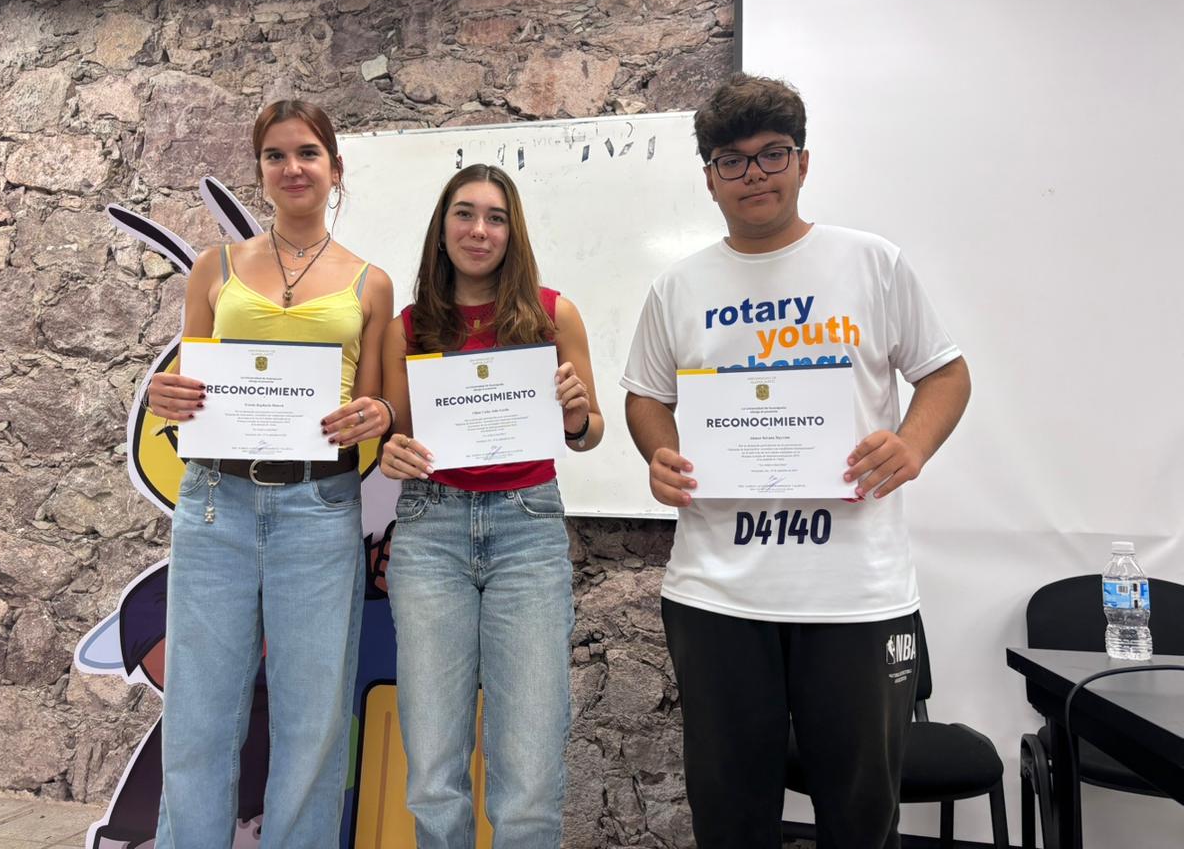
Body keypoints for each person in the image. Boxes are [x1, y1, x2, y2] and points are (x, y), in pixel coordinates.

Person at [622, 75, 971, 849]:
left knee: (859, 821)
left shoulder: (872, 263)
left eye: (772, 154)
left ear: (803, 162)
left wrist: (912, 445)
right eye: (732, 160)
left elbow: (946, 375)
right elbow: (645, 397)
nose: (754, 174)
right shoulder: (677, 286)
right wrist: (660, 452)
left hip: (854, 593)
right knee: (730, 819)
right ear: (710, 178)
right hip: (718, 594)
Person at [145, 99, 394, 847]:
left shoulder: (371, 283)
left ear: (335, 169)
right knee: (199, 710)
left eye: (308, 153)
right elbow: (187, 381)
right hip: (214, 500)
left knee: (313, 718)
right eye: (276, 155)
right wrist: (163, 395)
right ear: (260, 170)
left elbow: (372, 405)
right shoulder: (213, 267)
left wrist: (373, 416)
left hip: (319, 503)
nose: (293, 167)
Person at [378, 164, 603, 849]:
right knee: (432, 773)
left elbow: (590, 432)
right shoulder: (408, 327)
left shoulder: (554, 314)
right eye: (465, 214)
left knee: (530, 773)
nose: (480, 230)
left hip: (526, 529)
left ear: (513, 232)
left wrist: (576, 417)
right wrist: (392, 453)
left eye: (496, 217)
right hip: (431, 529)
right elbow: (396, 436)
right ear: (442, 228)